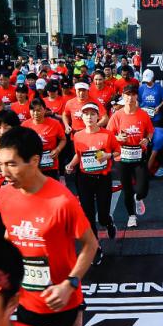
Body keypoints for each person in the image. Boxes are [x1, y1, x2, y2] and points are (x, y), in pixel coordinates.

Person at [0, 127, 100, 326]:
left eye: (12, 164)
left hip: (63, 297)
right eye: (0, 164)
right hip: (28, 296)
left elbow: (90, 245)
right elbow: (12, 232)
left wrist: (70, 284)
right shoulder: (4, 195)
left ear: (34, 160)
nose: (4, 172)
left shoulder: (62, 201)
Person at [66, 103, 120, 258]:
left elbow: (118, 152)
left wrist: (107, 156)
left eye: (92, 114)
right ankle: (95, 248)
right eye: (86, 114)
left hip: (103, 178)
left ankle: (108, 222)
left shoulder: (107, 134)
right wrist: (70, 165)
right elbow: (79, 154)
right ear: (82, 117)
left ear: (98, 117)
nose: (89, 117)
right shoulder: (78, 135)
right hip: (84, 178)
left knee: (102, 216)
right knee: (88, 216)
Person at [108, 88, 154, 228]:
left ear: (136, 97)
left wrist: (147, 139)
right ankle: (131, 216)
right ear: (123, 97)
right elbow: (109, 135)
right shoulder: (117, 115)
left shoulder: (143, 114)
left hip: (138, 156)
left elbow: (150, 131)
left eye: (133, 95)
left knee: (142, 188)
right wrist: (117, 137)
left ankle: (138, 198)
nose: (130, 98)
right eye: (127, 95)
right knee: (127, 189)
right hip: (122, 158)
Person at [23, 98, 66, 179]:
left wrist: (58, 149)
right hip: (32, 164)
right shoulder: (25, 125)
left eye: (39, 110)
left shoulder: (55, 123)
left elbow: (63, 139)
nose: (35, 113)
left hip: (50, 164)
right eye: (33, 110)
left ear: (45, 110)